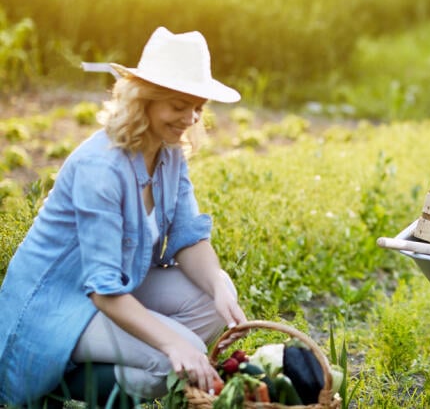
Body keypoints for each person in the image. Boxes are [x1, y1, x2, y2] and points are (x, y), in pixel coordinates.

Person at [0, 27, 248, 407]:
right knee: (173, 358)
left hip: (121, 284)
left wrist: (217, 285)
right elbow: (102, 288)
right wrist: (173, 342)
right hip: (62, 301)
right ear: (143, 100)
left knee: (208, 303)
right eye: (178, 105)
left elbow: (188, 237)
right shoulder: (100, 167)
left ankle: (122, 350)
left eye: (197, 107)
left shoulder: (168, 155)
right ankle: (61, 376)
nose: (190, 118)